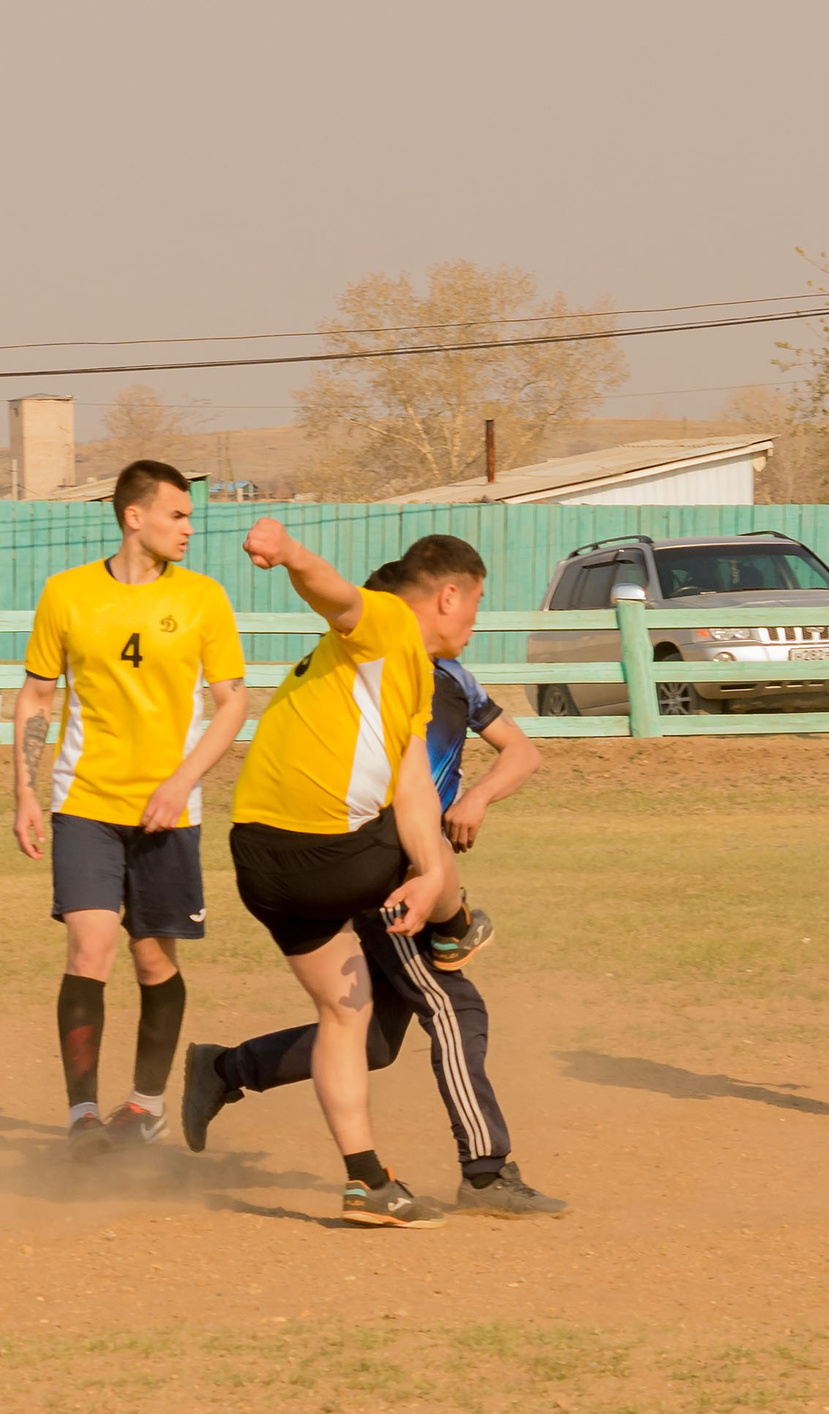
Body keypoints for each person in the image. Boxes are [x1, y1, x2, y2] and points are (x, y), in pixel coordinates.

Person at [184, 539, 566, 1216]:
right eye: (475, 602)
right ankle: (485, 1169)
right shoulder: (386, 622)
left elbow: (420, 784)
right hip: (333, 853)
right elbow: (332, 592)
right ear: (447, 595)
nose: (477, 618)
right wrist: (290, 550)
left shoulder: (420, 682)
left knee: (356, 1022)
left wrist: (429, 867)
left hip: (262, 861)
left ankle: (363, 1176)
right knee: (454, 1002)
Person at [12, 461, 249, 1158]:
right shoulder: (67, 594)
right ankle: (82, 1117)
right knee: (91, 947)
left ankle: (145, 1106)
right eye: (177, 514)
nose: (188, 527)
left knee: (153, 959)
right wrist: (24, 789)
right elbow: (36, 697)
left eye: (188, 517)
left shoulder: (204, 599)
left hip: (167, 811)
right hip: (83, 802)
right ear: (133, 516)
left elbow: (232, 701)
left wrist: (181, 782)